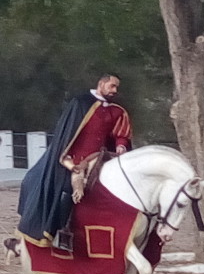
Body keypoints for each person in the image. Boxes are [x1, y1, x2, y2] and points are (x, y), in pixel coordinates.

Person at [17, 73, 132, 251]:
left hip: (101, 157)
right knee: (67, 190)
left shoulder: (117, 110)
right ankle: (60, 232)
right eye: (112, 86)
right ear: (101, 84)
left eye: (116, 87)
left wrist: (121, 146)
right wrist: (70, 161)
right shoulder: (80, 103)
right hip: (76, 159)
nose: (115, 91)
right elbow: (67, 133)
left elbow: (120, 134)